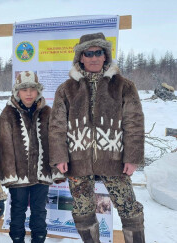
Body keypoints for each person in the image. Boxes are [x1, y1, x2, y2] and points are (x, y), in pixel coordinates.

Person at [49, 32, 145, 243]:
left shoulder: (124, 86)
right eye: (88, 53)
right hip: (78, 161)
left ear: (105, 56)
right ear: (80, 57)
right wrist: (60, 156)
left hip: (114, 160)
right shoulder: (66, 89)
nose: (93, 57)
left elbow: (134, 123)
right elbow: (56, 126)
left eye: (98, 52)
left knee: (130, 208)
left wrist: (132, 156)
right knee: (83, 209)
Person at [0, 71, 64, 243]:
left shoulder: (47, 112)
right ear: (17, 92)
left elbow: (55, 142)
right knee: (18, 209)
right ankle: (17, 239)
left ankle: (38, 239)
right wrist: (10, 175)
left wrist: (56, 170)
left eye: (32, 89)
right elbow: (4, 146)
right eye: (24, 89)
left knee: (39, 210)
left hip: (41, 173)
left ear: (38, 91)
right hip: (19, 175)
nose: (28, 93)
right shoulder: (8, 113)